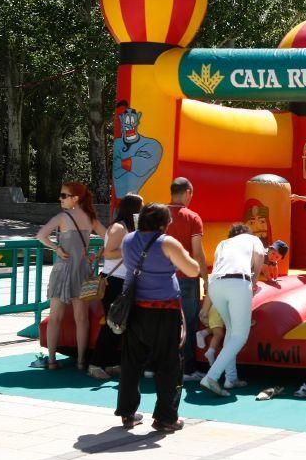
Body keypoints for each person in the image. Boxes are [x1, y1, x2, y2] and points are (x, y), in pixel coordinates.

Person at [115, 203, 200, 432]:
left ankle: (127, 413)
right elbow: (193, 270)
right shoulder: (166, 242)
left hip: (134, 310)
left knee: (131, 363)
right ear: (163, 223)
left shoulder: (128, 239)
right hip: (164, 310)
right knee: (169, 364)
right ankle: (165, 416)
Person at [36, 182, 107, 370]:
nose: (60, 199)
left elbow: (41, 236)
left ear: (75, 198)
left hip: (63, 270)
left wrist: (56, 248)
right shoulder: (90, 218)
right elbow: (109, 237)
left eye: (63, 195)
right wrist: (96, 255)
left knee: (55, 317)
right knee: (82, 318)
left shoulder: (62, 217)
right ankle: (82, 360)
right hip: (83, 270)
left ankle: (51, 360)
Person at [199, 223, 265, 396]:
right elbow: (259, 255)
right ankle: (211, 377)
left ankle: (230, 378)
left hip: (216, 285)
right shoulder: (252, 239)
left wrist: (205, 307)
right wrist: (255, 279)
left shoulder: (223, 244)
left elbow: (215, 270)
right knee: (240, 336)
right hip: (238, 283)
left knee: (231, 330)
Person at [88, 193, 144, 380]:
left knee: (120, 323)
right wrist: (130, 249)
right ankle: (96, 363)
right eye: (141, 207)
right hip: (114, 280)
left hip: (125, 280)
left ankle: (111, 362)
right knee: (113, 323)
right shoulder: (118, 228)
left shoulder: (129, 227)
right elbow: (109, 254)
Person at [166, 177, 209, 381]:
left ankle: (153, 366)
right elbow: (198, 252)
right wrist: (205, 279)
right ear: (188, 192)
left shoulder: (159, 214)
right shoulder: (192, 218)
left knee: (162, 321)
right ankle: (188, 368)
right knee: (188, 322)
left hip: (159, 278)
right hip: (185, 276)